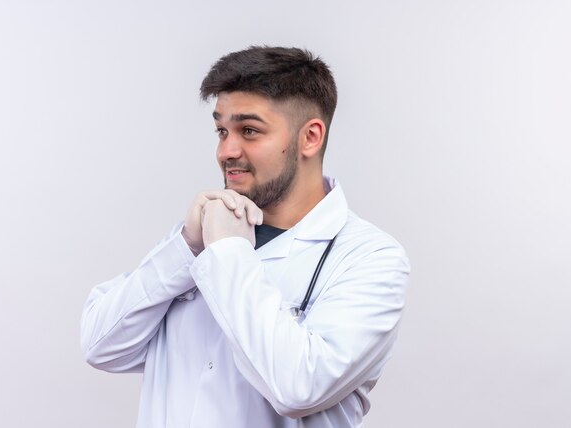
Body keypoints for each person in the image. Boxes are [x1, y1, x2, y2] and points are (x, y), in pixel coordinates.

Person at [81, 46, 410, 428]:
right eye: (221, 130)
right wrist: (186, 247)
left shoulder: (370, 258)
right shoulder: (199, 238)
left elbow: (298, 388)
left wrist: (227, 252)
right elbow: (101, 347)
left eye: (249, 131)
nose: (226, 151)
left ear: (310, 137)